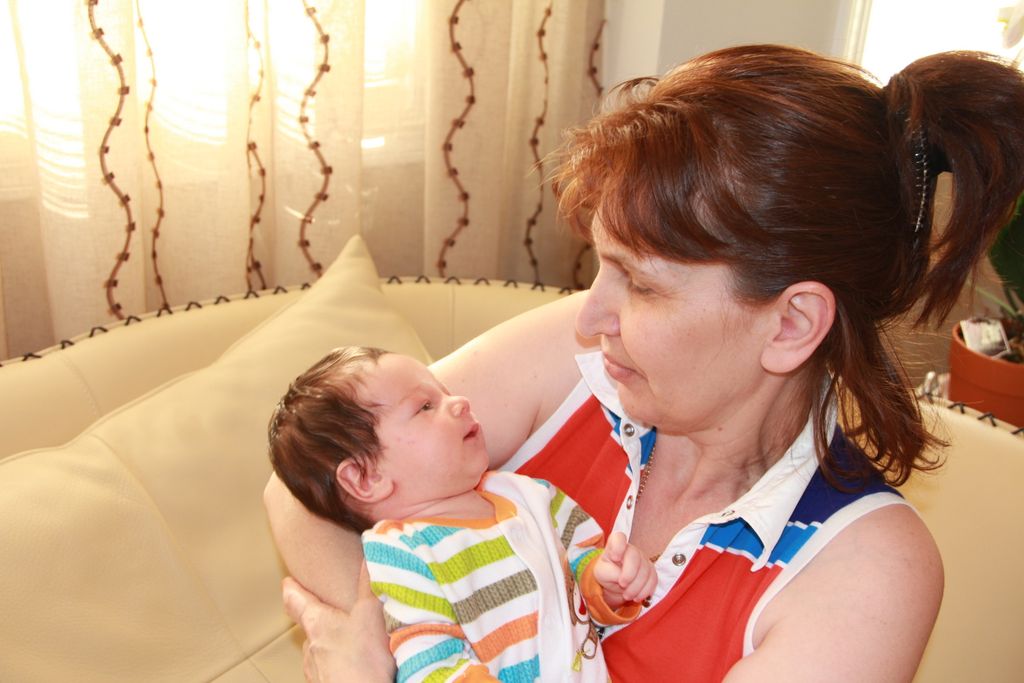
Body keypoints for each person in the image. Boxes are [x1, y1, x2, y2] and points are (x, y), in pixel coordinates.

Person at [264, 44, 1024, 681]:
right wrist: (395, 635)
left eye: (642, 284)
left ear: (792, 323)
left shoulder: (865, 570)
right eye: (601, 264)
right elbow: (305, 490)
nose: (590, 316)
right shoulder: (582, 363)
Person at [267, 346, 657, 682]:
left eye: (445, 393)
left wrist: (606, 583)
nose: (460, 402)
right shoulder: (402, 554)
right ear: (366, 478)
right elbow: (431, 666)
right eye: (424, 406)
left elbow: (583, 573)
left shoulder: (532, 495)